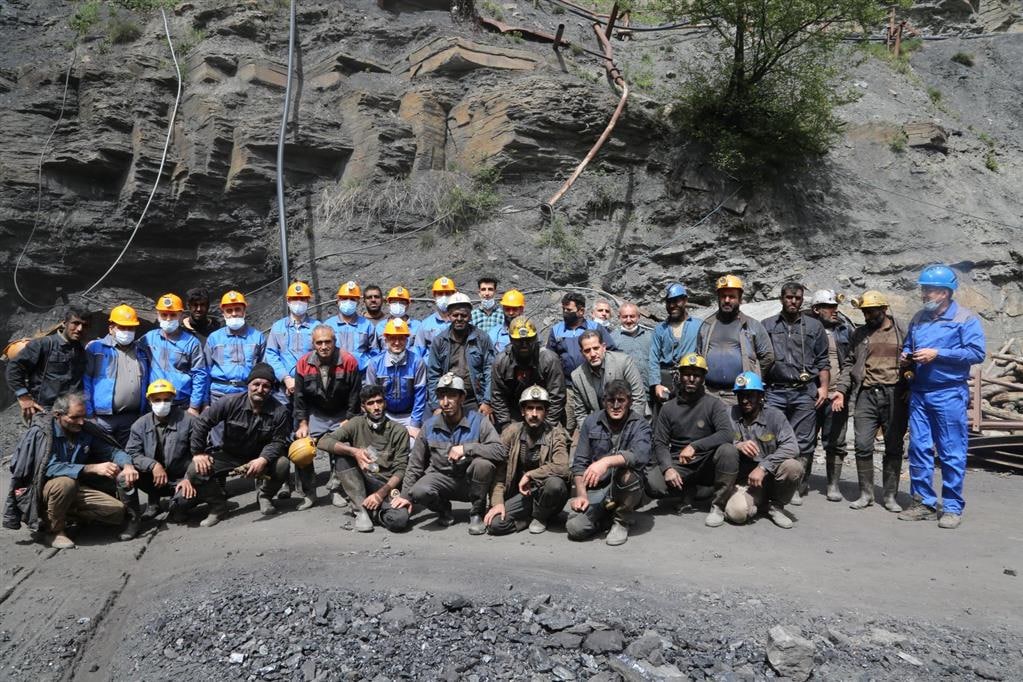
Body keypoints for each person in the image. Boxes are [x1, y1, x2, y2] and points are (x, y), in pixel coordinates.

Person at [897, 265, 985, 529]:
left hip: (948, 393)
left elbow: (976, 353)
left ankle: (952, 507)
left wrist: (939, 353)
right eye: (923, 289)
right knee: (919, 449)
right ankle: (923, 502)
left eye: (929, 289)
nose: (924, 294)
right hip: (920, 393)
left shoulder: (965, 319)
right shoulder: (918, 318)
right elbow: (910, 345)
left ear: (945, 293)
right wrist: (906, 354)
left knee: (951, 451)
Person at [7, 392, 131, 549]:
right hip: (44, 490)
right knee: (66, 483)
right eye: (74, 418)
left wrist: (127, 465)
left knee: (117, 512)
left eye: (83, 417)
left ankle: (63, 514)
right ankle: (54, 531)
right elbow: (47, 467)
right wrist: (90, 468)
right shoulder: (42, 433)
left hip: (76, 488)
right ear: (58, 415)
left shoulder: (84, 430)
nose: (80, 422)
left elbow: (111, 451)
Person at [392, 373, 504, 535]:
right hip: (441, 480)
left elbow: (499, 451)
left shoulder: (478, 421)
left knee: (483, 465)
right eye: (441, 396)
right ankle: (443, 509)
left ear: (462, 398)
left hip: (470, 482)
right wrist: (404, 496)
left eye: (451, 396)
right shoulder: (429, 426)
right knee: (418, 491)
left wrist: (466, 448)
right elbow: (415, 465)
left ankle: (476, 513)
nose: (446, 402)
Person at [187, 363, 292, 526]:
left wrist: (263, 459)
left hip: (259, 457)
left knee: (283, 464)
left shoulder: (280, 411)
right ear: (248, 385)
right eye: (256, 384)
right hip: (229, 455)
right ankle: (218, 506)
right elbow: (202, 423)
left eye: (266, 386)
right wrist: (198, 453)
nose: (260, 389)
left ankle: (264, 496)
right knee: (195, 470)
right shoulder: (229, 402)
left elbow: (278, 441)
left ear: (271, 389)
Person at [831, 291, 908, 511]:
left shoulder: (902, 330)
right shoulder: (860, 334)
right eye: (865, 312)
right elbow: (849, 364)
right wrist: (841, 390)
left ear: (884, 309)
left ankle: (890, 496)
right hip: (866, 394)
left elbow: (914, 360)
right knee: (862, 444)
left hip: (895, 394)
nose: (867, 316)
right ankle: (866, 494)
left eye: (871, 311)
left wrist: (912, 387)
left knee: (893, 446)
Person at [644, 354, 736, 527]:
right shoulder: (668, 408)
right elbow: (660, 443)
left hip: (707, 462)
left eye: (697, 375)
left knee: (728, 451)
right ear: (680, 376)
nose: (692, 379)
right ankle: (690, 489)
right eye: (687, 374)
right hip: (681, 463)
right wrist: (668, 469)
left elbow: (727, 434)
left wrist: (695, 446)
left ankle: (718, 505)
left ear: (703, 378)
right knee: (652, 483)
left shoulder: (713, 404)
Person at [762, 283, 829, 505]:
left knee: (804, 441)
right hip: (775, 390)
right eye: (789, 297)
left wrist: (824, 387)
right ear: (781, 298)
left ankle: (797, 485)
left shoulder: (814, 326)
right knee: (770, 437)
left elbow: (822, 359)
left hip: (804, 390)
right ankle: (771, 482)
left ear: (803, 300)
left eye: (798, 298)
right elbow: (758, 357)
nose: (793, 301)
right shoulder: (767, 325)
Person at [566, 380, 650, 546]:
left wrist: (606, 462)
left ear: (630, 402)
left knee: (629, 475)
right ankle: (605, 518)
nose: (616, 405)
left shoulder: (640, 424)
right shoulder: (591, 422)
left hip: (625, 486)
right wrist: (581, 495)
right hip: (598, 488)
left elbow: (641, 456)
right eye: (611, 400)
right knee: (574, 527)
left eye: (621, 400)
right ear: (604, 402)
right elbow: (579, 463)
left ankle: (622, 521)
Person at [317, 385, 411, 532]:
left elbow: (401, 470)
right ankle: (360, 510)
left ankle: (373, 510)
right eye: (370, 403)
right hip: (362, 478)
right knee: (342, 456)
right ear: (363, 407)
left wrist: (380, 495)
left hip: (386, 485)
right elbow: (323, 441)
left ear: (385, 403)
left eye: (379, 401)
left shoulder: (399, 431)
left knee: (399, 520)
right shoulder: (356, 423)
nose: (376, 407)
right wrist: (354, 451)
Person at [721, 372, 804, 529]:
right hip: (745, 481)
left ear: (761, 396)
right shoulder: (729, 414)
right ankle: (756, 503)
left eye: (750, 395)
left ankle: (776, 506)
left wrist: (763, 467)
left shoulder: (775, 416)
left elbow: (792, 446)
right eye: (741, 395)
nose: (745, 400)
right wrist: (737, 444)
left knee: (793, 466)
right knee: (736, 514)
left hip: (771, 477)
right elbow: (716, 439)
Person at [485, 386, 571, 535]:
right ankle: (527, 520)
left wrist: (530, 475)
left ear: (546, 412)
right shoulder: (511, 432)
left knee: (555, 484)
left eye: (539, 409)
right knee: (495, 525)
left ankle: (541, 516)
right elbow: (499, 471)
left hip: (545, 493)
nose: (534, 414)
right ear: (523, 411)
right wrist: (497, 503)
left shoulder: (556, 434)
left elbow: (562, 467)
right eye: (530, 408)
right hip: (521, 495)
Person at [293, 325, 362, 509]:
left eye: (328, 342)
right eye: (319, 342)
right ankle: (309, 493)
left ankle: (337, 489)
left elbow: (355, 395)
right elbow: (299, 397)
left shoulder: (349, 361)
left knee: (343, 446)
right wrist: (302, 423)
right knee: (302, 448)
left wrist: (349, 419)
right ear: (313, 344)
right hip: (317, 413)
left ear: (334, 342)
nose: (324, 346)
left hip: (341, 412)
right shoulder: (303, 363)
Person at [121, 380, 199, 535]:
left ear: (172, 400)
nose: (162, 403)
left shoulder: (189, 421)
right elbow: (132, 452)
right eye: (157, 400)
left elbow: (200, 453)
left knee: (184, 501)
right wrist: (153, 465)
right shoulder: (139, 425)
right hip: (153, 479)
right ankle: (135, 518)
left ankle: (178, 506)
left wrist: (189, 477)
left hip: (180, 478)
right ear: (149, 400)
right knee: (124, 476)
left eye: (166, 399)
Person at [697, 274, 774, 404]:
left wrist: (753, 373)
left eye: (732, 296)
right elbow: (699, 354)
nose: (727, 300)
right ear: (718, 298)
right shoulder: (707, 325)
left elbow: (768, 356)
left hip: (740, 395)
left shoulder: (752, 325)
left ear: (740, 298)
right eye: (723, 296)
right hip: (708, 394)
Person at [545, 292, 616, 431]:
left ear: (581, 311)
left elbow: (611, 351)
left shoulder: (595, 328)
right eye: (564, 309)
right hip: (568, 388)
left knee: (600, 421)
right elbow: (550, 359)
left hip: (596, 384)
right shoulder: (556, 330)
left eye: (569, 310)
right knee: (569, 426)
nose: (565, 313)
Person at [807, 289, 853, 502]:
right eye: (829, 307)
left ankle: (833, 485)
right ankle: (801, 482)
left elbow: (851, 361)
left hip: (836, 395)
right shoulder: (803, 328)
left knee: (835, 441)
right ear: (816, 309)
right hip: (809, 395)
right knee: (805, 440)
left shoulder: (844, 330)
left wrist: (842, 391)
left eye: (836, 307)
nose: (835, 311)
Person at [6, 307, 89, 421]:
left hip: (71, 412)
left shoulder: (80, 350)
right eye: (75, 323)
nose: (80, 329)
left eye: (84, 325)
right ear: (64, 323)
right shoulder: (43, 344)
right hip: (46, 410)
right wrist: (24, 397)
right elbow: (14, 368)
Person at [83, 305, 150, 445]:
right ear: (111, 328)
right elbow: (86, 381)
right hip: (102, 418)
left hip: (132, 418)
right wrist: (89, 414)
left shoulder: (141, 351)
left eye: (130, 328)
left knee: (130, 457)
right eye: (122, 327)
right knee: (103, 456)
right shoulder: (96, 348)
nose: (127, 332)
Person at [490, 317, 565, 432]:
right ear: (510, 339)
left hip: (544, 412)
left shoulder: (549, 360)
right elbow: (498, 396)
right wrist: (506, 425)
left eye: (529, 340)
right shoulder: (501, 362)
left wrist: (547, 426)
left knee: (557, 439)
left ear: (535, 338)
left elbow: (557, 396)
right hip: (514, 412)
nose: (524, 344)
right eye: (519, 341)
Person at [425, 293, 494, 417]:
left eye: (464, 315)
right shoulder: (440, 341)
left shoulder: (482, 338)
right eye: (455, 315)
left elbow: (490, 370)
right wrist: (436, 405)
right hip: (448, 399)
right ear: (449, 315)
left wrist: (487, 401)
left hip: (475, 399)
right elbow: (433, 375)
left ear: (470, 316)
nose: (459, 319)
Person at [141, 293, 207, 417]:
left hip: (182, 404)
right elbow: (128, 348)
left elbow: (200, 375)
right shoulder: (149, 338)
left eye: (173, 315)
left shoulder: (191, 343)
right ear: (158, 315)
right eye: (164, 314)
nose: (168, 319)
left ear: (181, 315)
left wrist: (194, 406)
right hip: (155, 402)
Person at [365, 318, 427, 438]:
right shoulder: (375, 363)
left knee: (413, 446)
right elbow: (370, 396)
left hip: (409, 416)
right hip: (384, 414)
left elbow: (420, 395)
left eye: (401, 338)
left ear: (407, 339)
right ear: (386, 339)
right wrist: (377, 419)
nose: (397, 342)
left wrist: (414, 423)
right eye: (393, 338)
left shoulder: (417, 362)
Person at [570, 330, 646, 427]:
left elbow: (638, 398)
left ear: (604, 347)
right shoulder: (577, 376)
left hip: (631, 421)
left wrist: (630, 429)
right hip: (601, 428)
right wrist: (590, 434)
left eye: (596, 348)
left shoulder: (623, 362)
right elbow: (581, 414)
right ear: (582, 353)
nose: (593, 354)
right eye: (587, 350)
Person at [205, 290, 266, 404]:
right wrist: (205, 402)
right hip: (218, 395)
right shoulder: (214, 338)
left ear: (244, 311)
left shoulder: (258, 337)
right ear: (223, 313)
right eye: (229, 310)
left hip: (247, 395)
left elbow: (264, 370)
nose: (233, 313)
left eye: (237, 309)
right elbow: (205, 371)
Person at [265, 281, 320, 406]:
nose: (298, 302)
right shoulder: (278, 327)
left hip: (310, 385)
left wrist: (304, 380)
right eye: (295, 299)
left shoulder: (317, 327)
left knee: (307, 421)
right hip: (282, 389)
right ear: (288, 301)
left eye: (302, 299)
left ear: (308, 301)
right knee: (282, 420)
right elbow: (271, 354)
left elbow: (320, 355)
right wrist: (286, 378)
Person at [648, 283, 702, 409]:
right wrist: (656, 384)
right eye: (669, 302)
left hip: (690, 378)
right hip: (666, 379)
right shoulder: (659, 329)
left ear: (685, 301)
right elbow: (653, 359)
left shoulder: (699, 326)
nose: (672, 305)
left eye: (676, 301)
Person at [324, 281, 377, 370]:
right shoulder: (328, 325)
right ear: (338, 300)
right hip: (334, 377)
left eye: (352, 299)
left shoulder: (367, 325)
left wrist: (366, 365)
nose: (348, 301)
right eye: (344, 298)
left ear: (358, 302)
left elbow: (375, 352)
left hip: (361, 378)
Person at [611, 302, 653, 394]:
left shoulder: (650, 337)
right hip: (626, 394)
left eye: (632, 316)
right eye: (625, 317)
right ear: (619, 318)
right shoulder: (612, 339)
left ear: (638, 317)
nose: (629, 320)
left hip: (650, 392)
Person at [415, 276, 456, 354]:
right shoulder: (425, 325)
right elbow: (418, 353)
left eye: (448, 294)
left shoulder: (462, 322)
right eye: (440, 293)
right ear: (434, 296)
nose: (444, 297)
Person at [374, 286, 422, 352]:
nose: (398, 305)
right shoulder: (380, 326)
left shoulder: (418, 326)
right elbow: (375, 351)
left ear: (408, 305)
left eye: (402, 302)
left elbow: (421, 350)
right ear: (388, 303)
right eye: (394, 302)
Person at [488, 289, 525, 353]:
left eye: (514, 309)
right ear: (503, 309)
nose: (511, 313)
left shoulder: (530, 332)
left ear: (521, 310)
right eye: (507, 309)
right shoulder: (494, 333)